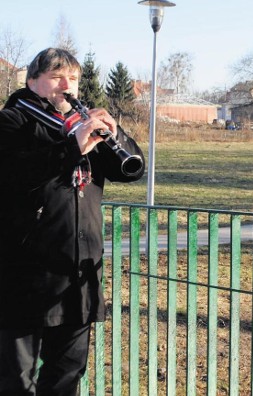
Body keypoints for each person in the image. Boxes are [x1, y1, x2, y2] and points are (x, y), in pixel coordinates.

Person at [0, 48, 145, 395]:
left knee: (66, 377)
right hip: (23, 274)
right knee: (15, 381)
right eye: (57, 77)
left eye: (75, 78)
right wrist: (71, 147)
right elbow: (15, 176)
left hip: (76, 274)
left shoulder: (81, 126)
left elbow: (130, 171)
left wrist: (116, 133)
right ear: (32, 80)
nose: (68, 85)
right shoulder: (12, 121)